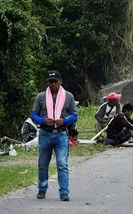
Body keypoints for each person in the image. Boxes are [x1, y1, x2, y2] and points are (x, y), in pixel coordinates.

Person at [31, 70, 78, 201]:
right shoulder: (41, 97)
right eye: (50, 82)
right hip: (45, 133)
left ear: (60, 82)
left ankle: (64, 192)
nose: (52, 85)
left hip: (61, 134)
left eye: (54, 82)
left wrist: (65, 121)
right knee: (42, 164)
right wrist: (42, 120)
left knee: (62, 164)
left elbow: (74, 115)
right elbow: (34, 115)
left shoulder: (68, 96)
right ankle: (42, 189)